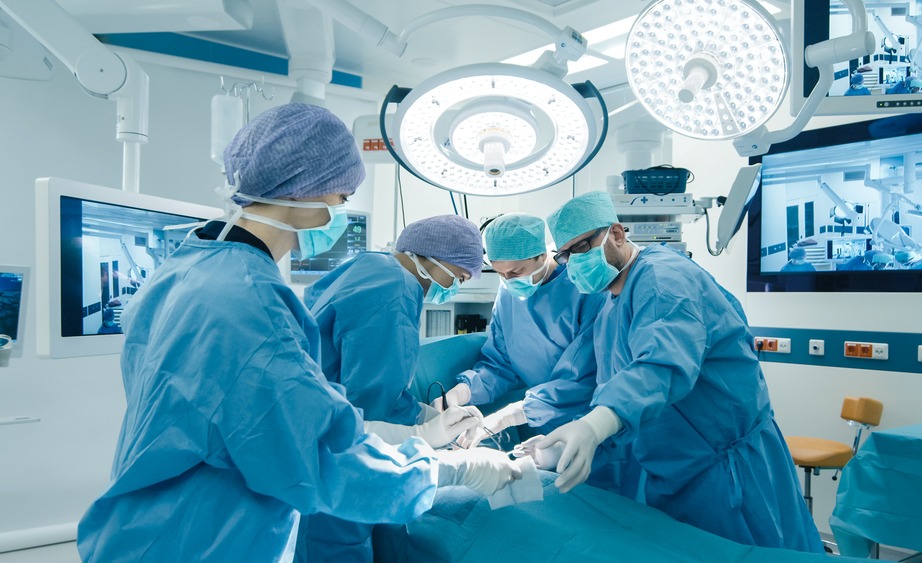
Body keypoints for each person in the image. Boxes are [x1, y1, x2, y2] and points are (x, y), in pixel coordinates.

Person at [76, 103, 519, 562]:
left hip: (144, 517)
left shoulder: (188, 266)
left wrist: (420, 423)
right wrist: (451, 468)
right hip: (197, 537)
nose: (339, 211)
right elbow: (323, 455)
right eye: (342, 198)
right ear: (305, 191)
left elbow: (267, 410)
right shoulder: (247, 305)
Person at [534, 191, 823, 552]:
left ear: (617, 235)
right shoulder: (611, 306)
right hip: (676, 474)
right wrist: (565, 446)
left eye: (580, 248)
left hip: (730, 476)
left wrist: (593, 427)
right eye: (565, 255)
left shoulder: (664, 278)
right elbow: (621, 392)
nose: (572, 263)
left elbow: (661, 367)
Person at [297, 213, 488, 562]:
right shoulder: (395, 289)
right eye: (458, 276)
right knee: (338, 542)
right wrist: (429, 429)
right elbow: (373, 401)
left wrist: (430, 415)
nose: (454, 287)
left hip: (317, 430)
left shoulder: (369, 265)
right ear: (437, 257)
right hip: (339, 454)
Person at [436, 213, 607, 447]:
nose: (508, 280)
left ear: (542, 255)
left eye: (516, 272)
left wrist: (509, 416)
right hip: (541, 420)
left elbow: (583, 378)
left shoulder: (583, 287)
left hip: (592, 422)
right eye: (500, 273)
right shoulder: (509, 292)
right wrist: (463, 391)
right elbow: (500, 363)